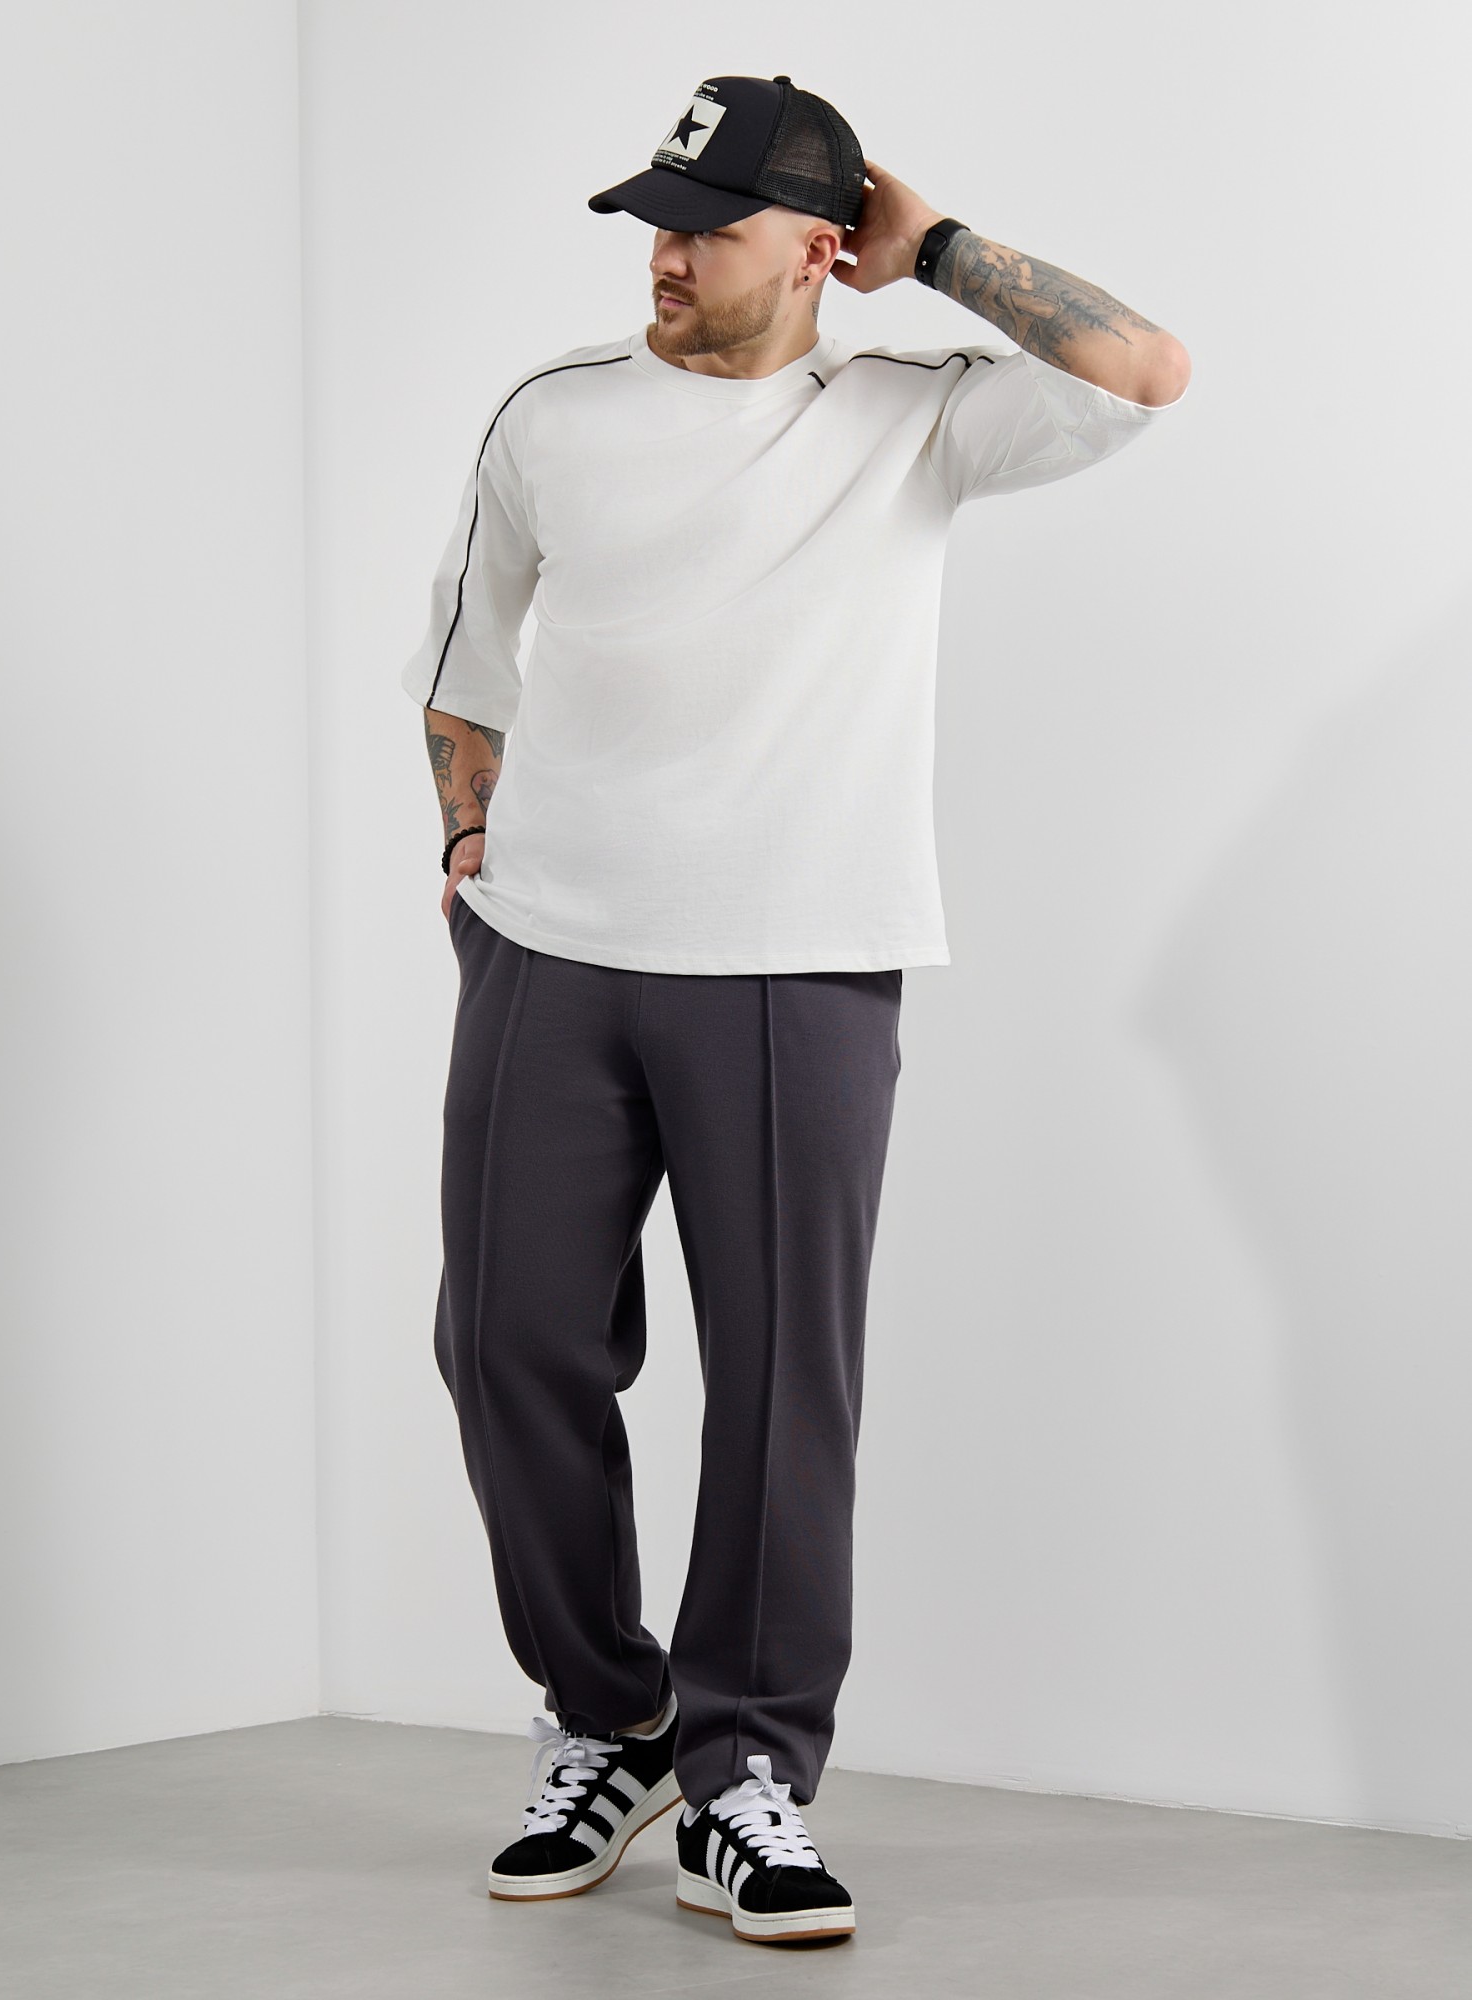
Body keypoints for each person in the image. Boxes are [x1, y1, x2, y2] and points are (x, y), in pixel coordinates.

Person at [402, 72, 1190, 1948]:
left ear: (824, 247)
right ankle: (611, 1714)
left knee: (777, 1386)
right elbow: (468, 656)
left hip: (799, 954)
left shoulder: (916, 414)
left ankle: (747, 1770)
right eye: (654, 221)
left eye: (709, 224)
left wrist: (942, 249)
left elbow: (1147, 371)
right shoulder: (552, 413)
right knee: (504, 1347)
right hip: (551, 946)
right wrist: (467, 838)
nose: (664, 255)